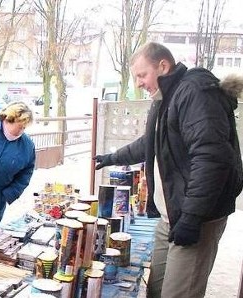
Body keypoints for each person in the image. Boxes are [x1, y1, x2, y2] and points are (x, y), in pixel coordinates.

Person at [94, 42, 243, 298]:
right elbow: (149, 142)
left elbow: (211, 159)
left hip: (197, 216)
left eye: (142, 75)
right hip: (170, 215)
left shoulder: (195, 93)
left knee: (178, 293)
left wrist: (192, 218)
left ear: (163, 66)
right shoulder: (166, 97)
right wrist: (112, 157)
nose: (138, 83)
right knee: (155, 288)